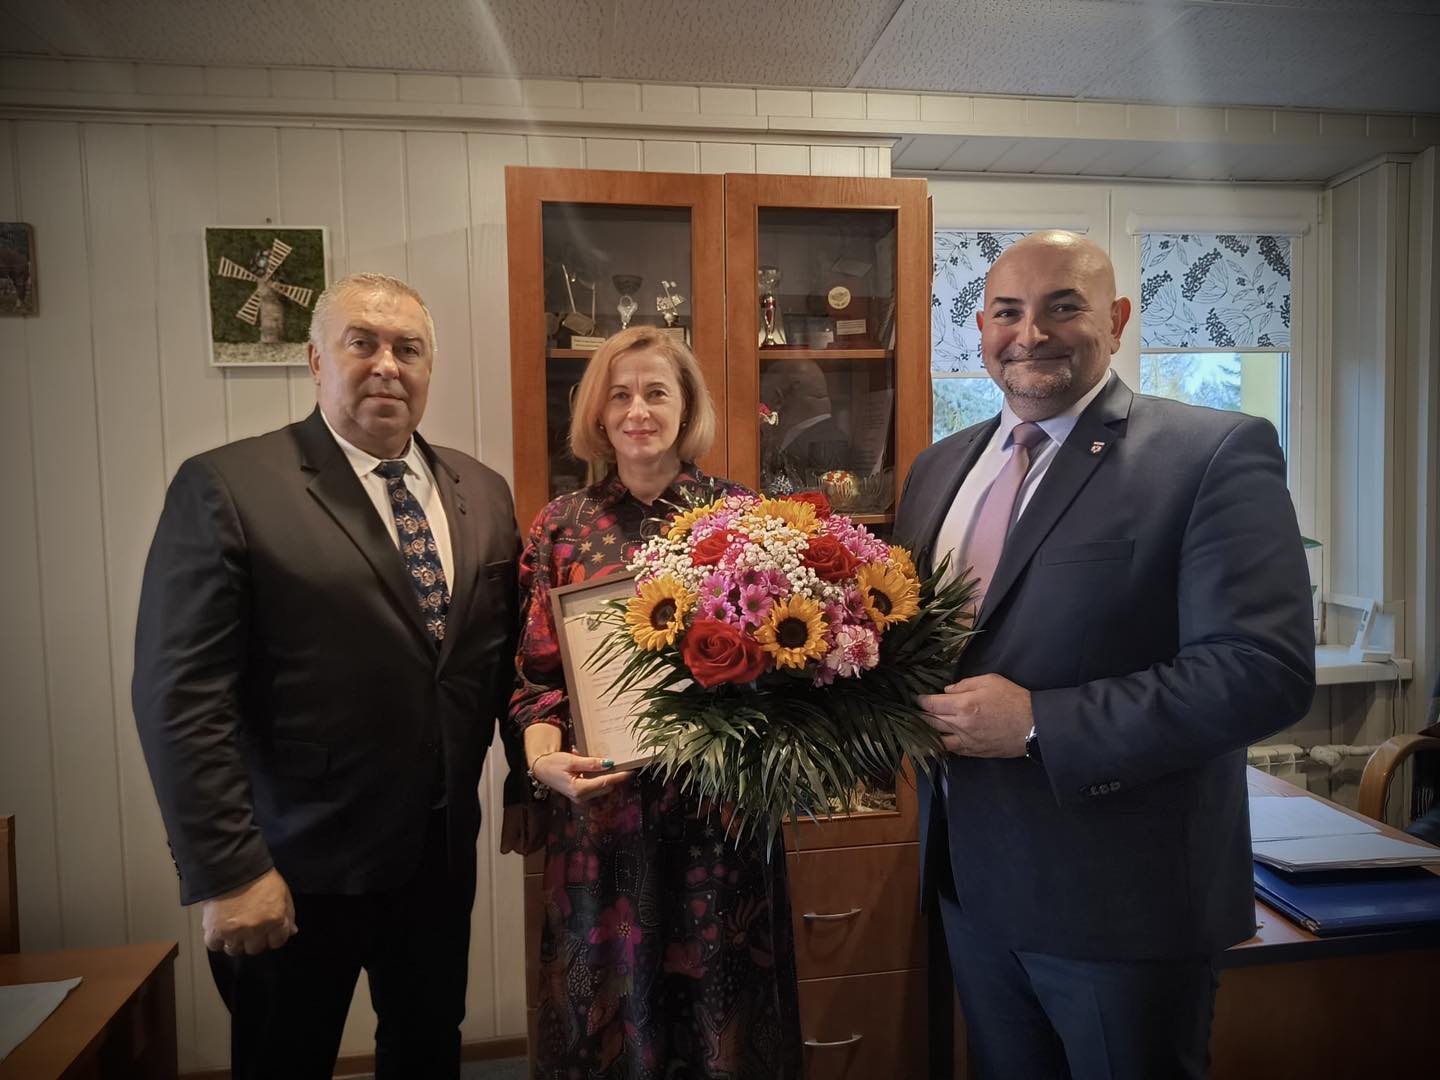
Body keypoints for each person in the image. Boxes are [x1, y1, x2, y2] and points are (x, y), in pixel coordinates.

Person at [894, 231, 1316, 1079]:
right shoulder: (938, 468)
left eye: (1063, 307)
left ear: (1117, 319)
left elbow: (1260, 670)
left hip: (1121, 911)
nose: (1031, 334)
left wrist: (1039, 723)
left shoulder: (1210, 453)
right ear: (979, 328)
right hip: (970, 893)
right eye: (1008, 312)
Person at [132, 272, 522, 1079]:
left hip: (437, 857)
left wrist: (526, 780)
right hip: (290, 870)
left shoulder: (482, 493)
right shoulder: (229, 487)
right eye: (362, 343)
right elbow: (181, 697)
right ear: (316, 360)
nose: (387, 365)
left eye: (408, 349)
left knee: (428, 1052)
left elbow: (500, 660)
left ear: (429, 367)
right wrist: (229, 871)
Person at [508, 326, 801, 1080]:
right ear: (598, 413)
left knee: (721, 1022)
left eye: (656, 393)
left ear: (687, 407)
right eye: (620, 394)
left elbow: (783, 667)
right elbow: (536, 678)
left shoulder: (739, 518)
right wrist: (543, 764)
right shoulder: (559, 525)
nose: (637, 410)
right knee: (606, 1019)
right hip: (602, 817)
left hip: (718, 817)